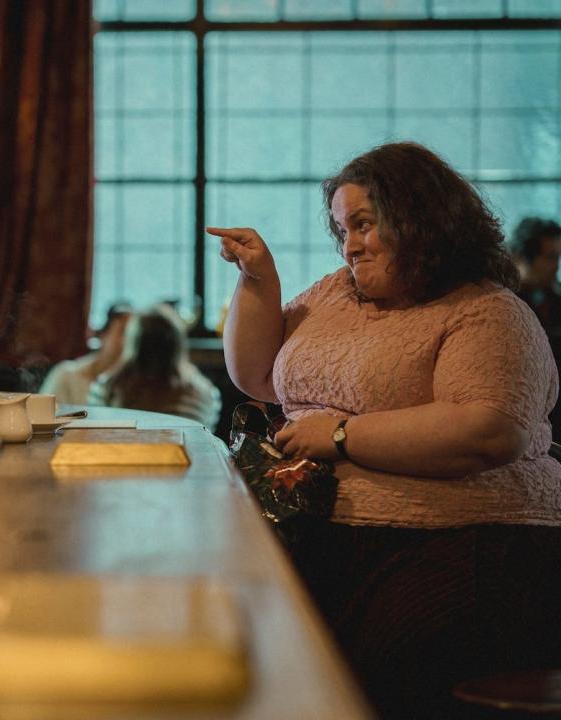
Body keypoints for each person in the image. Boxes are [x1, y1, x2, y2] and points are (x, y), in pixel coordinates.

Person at [210, 142, 561, 719]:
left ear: (420, 219)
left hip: (465, 541)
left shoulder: (486, 311)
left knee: (364, 674)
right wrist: (258, 280)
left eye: (364, 225)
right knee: (241, 641)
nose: (349, 244)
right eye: (342, 228)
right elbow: (256, 375)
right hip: (326, 530)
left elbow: (490, 430)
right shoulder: (334, 293)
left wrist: (343, 436)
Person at [88, 304, 221, 430]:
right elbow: (202, 442)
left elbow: (100, 434)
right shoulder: (203, 394)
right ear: (177, 344)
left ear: (133, 343)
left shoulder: (105, 388)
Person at [510, 217, 561, 439]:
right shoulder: (507, 305)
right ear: (523, 258)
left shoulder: (554, 298)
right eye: (550, 258)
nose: (556, 266)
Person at [39, 302, 132, 405]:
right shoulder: (67, 375)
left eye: (133, 334)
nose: (129, 340)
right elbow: (41, 413)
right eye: (122, 331)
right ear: (103, 335)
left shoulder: (132, 385)